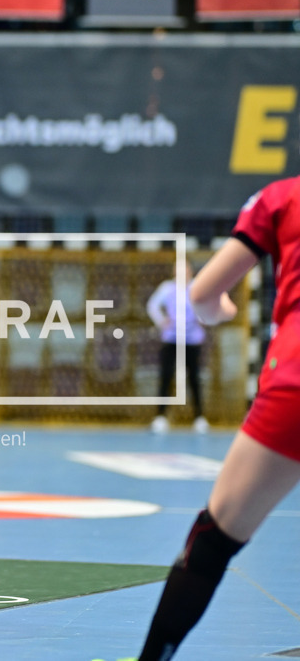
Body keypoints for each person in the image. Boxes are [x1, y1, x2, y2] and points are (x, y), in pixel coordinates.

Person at [138, 180, 300, 659]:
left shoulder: (282, 199)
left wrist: (217, 309)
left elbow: (204, 295)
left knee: (213, 541)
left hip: (294, 380)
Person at [146, 261, 209, 434]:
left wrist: (203, 319)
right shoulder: (167, 288)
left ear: (190, 271)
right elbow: (152, 306)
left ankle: (199, 417)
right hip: (171, 339)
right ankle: (160, 416)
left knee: (194, 378)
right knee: (166, 376)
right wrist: (162, 321)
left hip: (192, 340)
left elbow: (208, 304)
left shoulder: (197, 287)